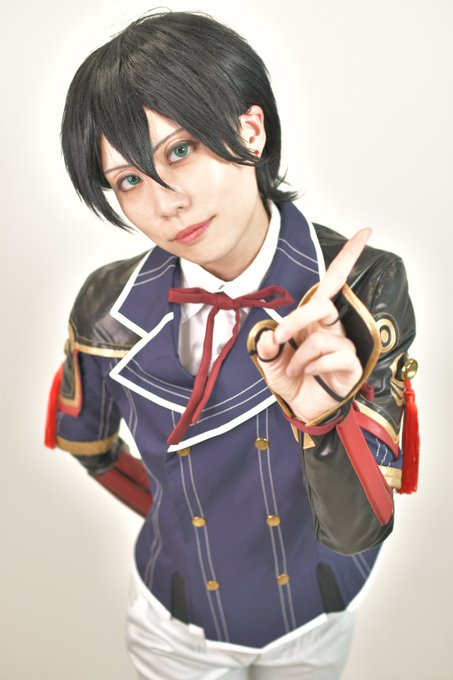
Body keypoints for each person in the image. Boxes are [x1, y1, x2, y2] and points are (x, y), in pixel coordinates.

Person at [45, 10, 418, 680]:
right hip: (174, 621)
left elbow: (358, 527)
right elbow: (89, 446)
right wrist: (187, 527)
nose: (165, 202)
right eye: (128, 179)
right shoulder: (105, 308)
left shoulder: (361, 289)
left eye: (180, 151)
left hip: (314, 616)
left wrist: (323, 419)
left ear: (250, 129)